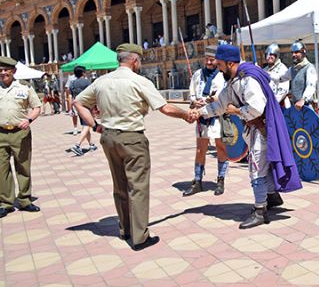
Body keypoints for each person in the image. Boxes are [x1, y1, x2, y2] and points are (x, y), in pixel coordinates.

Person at [74, 43, 194, 251]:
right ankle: (140, 237)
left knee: (119, 185)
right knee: (137, 187)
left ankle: (125, 229)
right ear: (135, 60)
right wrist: (186, 115)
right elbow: (164, 108)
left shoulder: (102, 81)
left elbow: (78, 103)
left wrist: (95, 126)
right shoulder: (139, 81)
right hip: (132, 138)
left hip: (109, 138)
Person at [193, 45, 302, 229]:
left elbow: (256, 108)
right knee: (265, 165)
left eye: (220, 64)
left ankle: (260, 211)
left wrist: (236, 111)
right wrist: (199, 113)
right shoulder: (234, 80)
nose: (218, 69)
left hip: (262, 130)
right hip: (254, 130)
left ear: (230, 63)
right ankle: (272, 196)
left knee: (256, 169)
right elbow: (220, 105)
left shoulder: (248, 79)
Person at [182, 45, 229, 197]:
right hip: (201, 117)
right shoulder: (197, 74)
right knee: (200, 149)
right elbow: (192, 92)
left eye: (212, 59)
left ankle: (220, 180)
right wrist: (194, 102)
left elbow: (223, 94)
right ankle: (197, 180)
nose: (209, 62)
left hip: (216, 115)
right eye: (207, 59)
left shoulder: (222, 75)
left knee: (221, 148)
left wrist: (211, 99)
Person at [0, 56, 42, 217]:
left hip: (20, 133)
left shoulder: (25, 87)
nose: (3, 73)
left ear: (14, 71)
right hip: (1, 133)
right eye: (0, 71)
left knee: (23, 166)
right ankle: (5, 203)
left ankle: (25, 199)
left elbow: (37, 107)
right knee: (1, 170)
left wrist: (29, 119)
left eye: (6, 70)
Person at [278, 41, 317, 111]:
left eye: (296, 52)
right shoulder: (293, 69)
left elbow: (311, 86)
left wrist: (303, 99)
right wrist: (264, 74)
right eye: (292, 52)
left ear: (303, 53)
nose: (293, 55)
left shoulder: (309, 68)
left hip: (307, 106)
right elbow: (280, 78)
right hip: (295, 106)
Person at [68, 66, 96, 156]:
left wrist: (70, 108)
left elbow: (70, 96)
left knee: (85, 125)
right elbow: (92, 94)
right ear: (83, 73)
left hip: (77, 106)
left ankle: (91, 144)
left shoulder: (72, 83)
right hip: (86, 106)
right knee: (87, 124)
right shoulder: (87, 82)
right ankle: (77, 145)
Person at [262, 43, 290, 108]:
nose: (269, 57)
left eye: (272, 54)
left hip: (279, 104)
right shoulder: (264, 70)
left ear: (276, 56)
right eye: (267, 54)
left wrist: (272, 104)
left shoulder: (283, 69)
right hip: (266, 103)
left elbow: (283, 90)